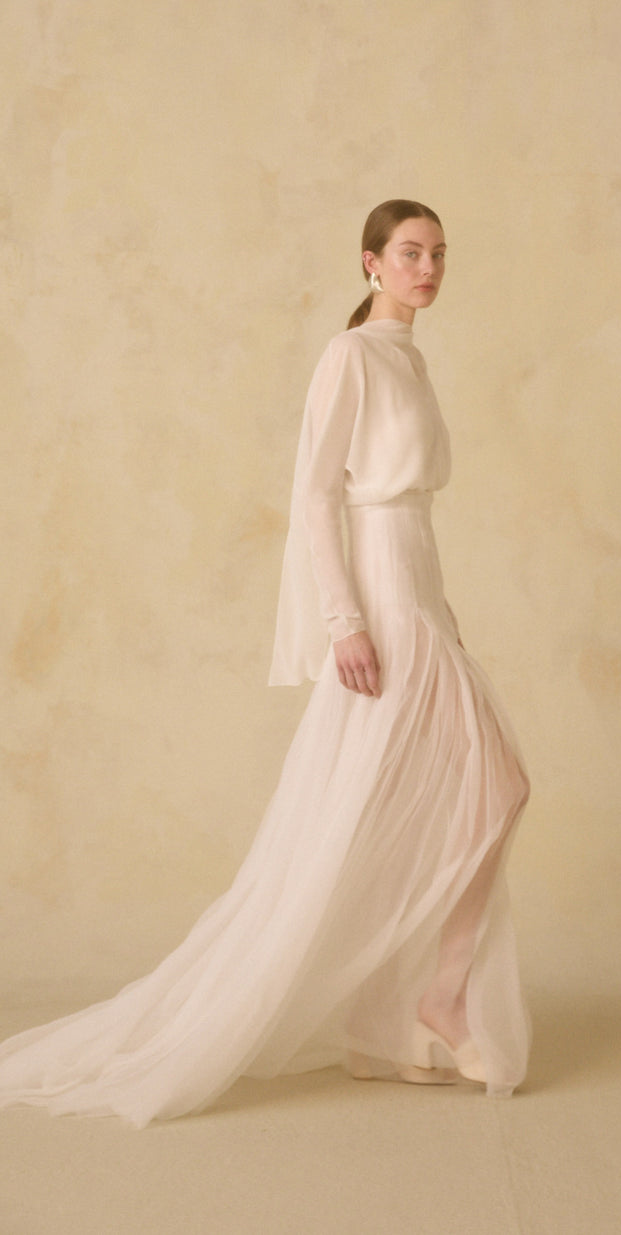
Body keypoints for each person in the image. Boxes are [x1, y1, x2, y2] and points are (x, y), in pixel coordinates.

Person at [0, 200, 531, 1128]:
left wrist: (441, 617)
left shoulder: (408, 357)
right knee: (489, 785)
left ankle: (380, 1027)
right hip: (380, 597)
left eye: (439, 254)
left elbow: (410, 509)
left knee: (418, 802)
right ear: (369, 262)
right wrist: (344, 620)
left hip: (419, 591)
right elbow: (317, 494)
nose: (428, 268)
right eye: (410, 252)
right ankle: (440, 999)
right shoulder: (350, 355)